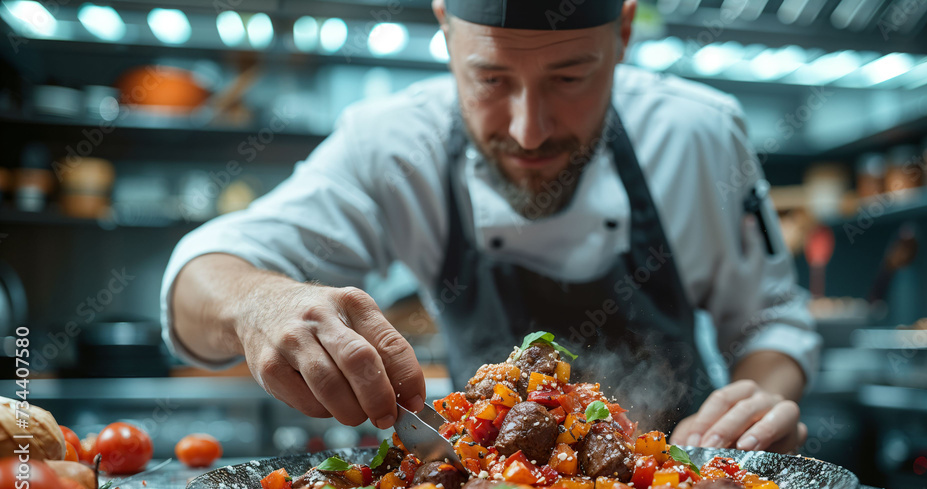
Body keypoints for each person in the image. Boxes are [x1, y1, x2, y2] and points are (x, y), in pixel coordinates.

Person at [161, 0, 820, 453]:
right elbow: (204, 270)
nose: (528, 129)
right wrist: (259, 303)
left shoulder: (699, 135)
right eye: (491, 78)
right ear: (445, 29)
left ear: (621, 33)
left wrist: (752, 407)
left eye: (569, 76)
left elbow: (769, 319)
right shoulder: (390, 145)